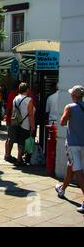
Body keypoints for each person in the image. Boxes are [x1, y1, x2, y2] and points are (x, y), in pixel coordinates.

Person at [56, 85, 84, 213]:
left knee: (77, 171)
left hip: (73, 144)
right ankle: (62, 189)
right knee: (70, 167)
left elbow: (62, 122)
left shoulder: (70, 107)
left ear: (74, 95)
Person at [12, 82, 35, 166]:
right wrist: (32, 126)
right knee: (25, 141)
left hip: (17, 123)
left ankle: (19, 157)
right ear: (27, 89)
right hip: (26, 124)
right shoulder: (29, 100)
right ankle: (21, 158)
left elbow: (13, 112)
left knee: (19, 141)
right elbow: (31, 114)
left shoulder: (15, 98)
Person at [4, 81, 20, 163]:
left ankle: (7, 154)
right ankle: (7, 155)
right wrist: (8, 116)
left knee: (9, 138)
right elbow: (10, 108)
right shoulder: (13, 95)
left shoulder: (12, 94)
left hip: (10, 119)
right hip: (12, 120)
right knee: (11, 138)